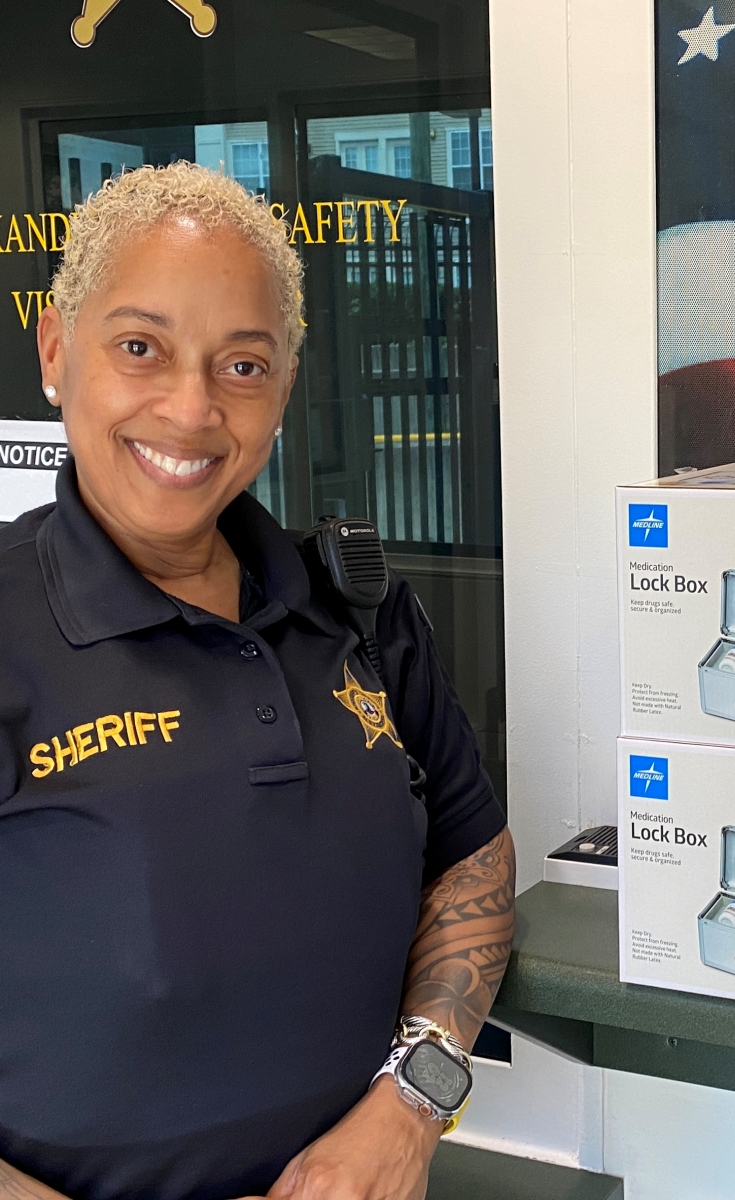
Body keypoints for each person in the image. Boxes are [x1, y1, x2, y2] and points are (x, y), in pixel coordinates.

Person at [0, 163, 514, 1200]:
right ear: (57, 351)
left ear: (283, 389)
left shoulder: (358, 609)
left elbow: (474, 863)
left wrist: (410, 1110)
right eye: (140, 348)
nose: (190, 410)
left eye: (242, 364)